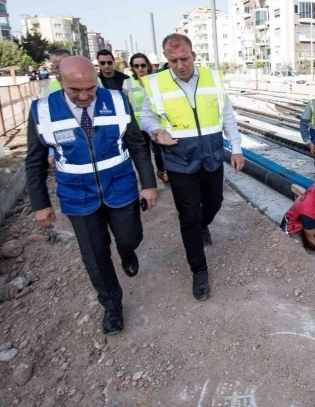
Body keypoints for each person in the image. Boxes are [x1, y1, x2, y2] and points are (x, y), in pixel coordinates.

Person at [25, 56, 158, 335]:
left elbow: (136, 144)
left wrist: (148, 184)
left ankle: (126, 251)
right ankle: (112, 304)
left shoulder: (117, 101)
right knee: (95, 256)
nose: (84, 96)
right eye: (76, 90)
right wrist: (41, 204)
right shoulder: (42, 110)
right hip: (77, 196)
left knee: (130, 236)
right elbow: (35, 161)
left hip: (120, 187)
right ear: (60, 82)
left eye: (90, 88)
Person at [139, 33, 244, 301]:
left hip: (210, 156)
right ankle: (199, 270)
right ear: (166, 59)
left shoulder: (212, 79)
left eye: (184, 58)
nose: (180, 65)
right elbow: (146, 117)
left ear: (194, 56)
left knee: (215, 203)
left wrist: (237, 148)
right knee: (188, 216)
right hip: (179, 159)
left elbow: (228, 116)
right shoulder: (155, 84)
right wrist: (155, 132)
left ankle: (203, 224)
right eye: (173, 60)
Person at [123, 53, 168, 184]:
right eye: (136, 66)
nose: (140, 68)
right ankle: (149, 182)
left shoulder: (155, 81)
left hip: (155, 123)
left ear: (147, 65)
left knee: (160, 152)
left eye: (143, 65)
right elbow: (126, 105)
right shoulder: (127, 83)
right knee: (144, 155)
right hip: (137, 125)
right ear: (132, 67)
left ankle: (161, 171)